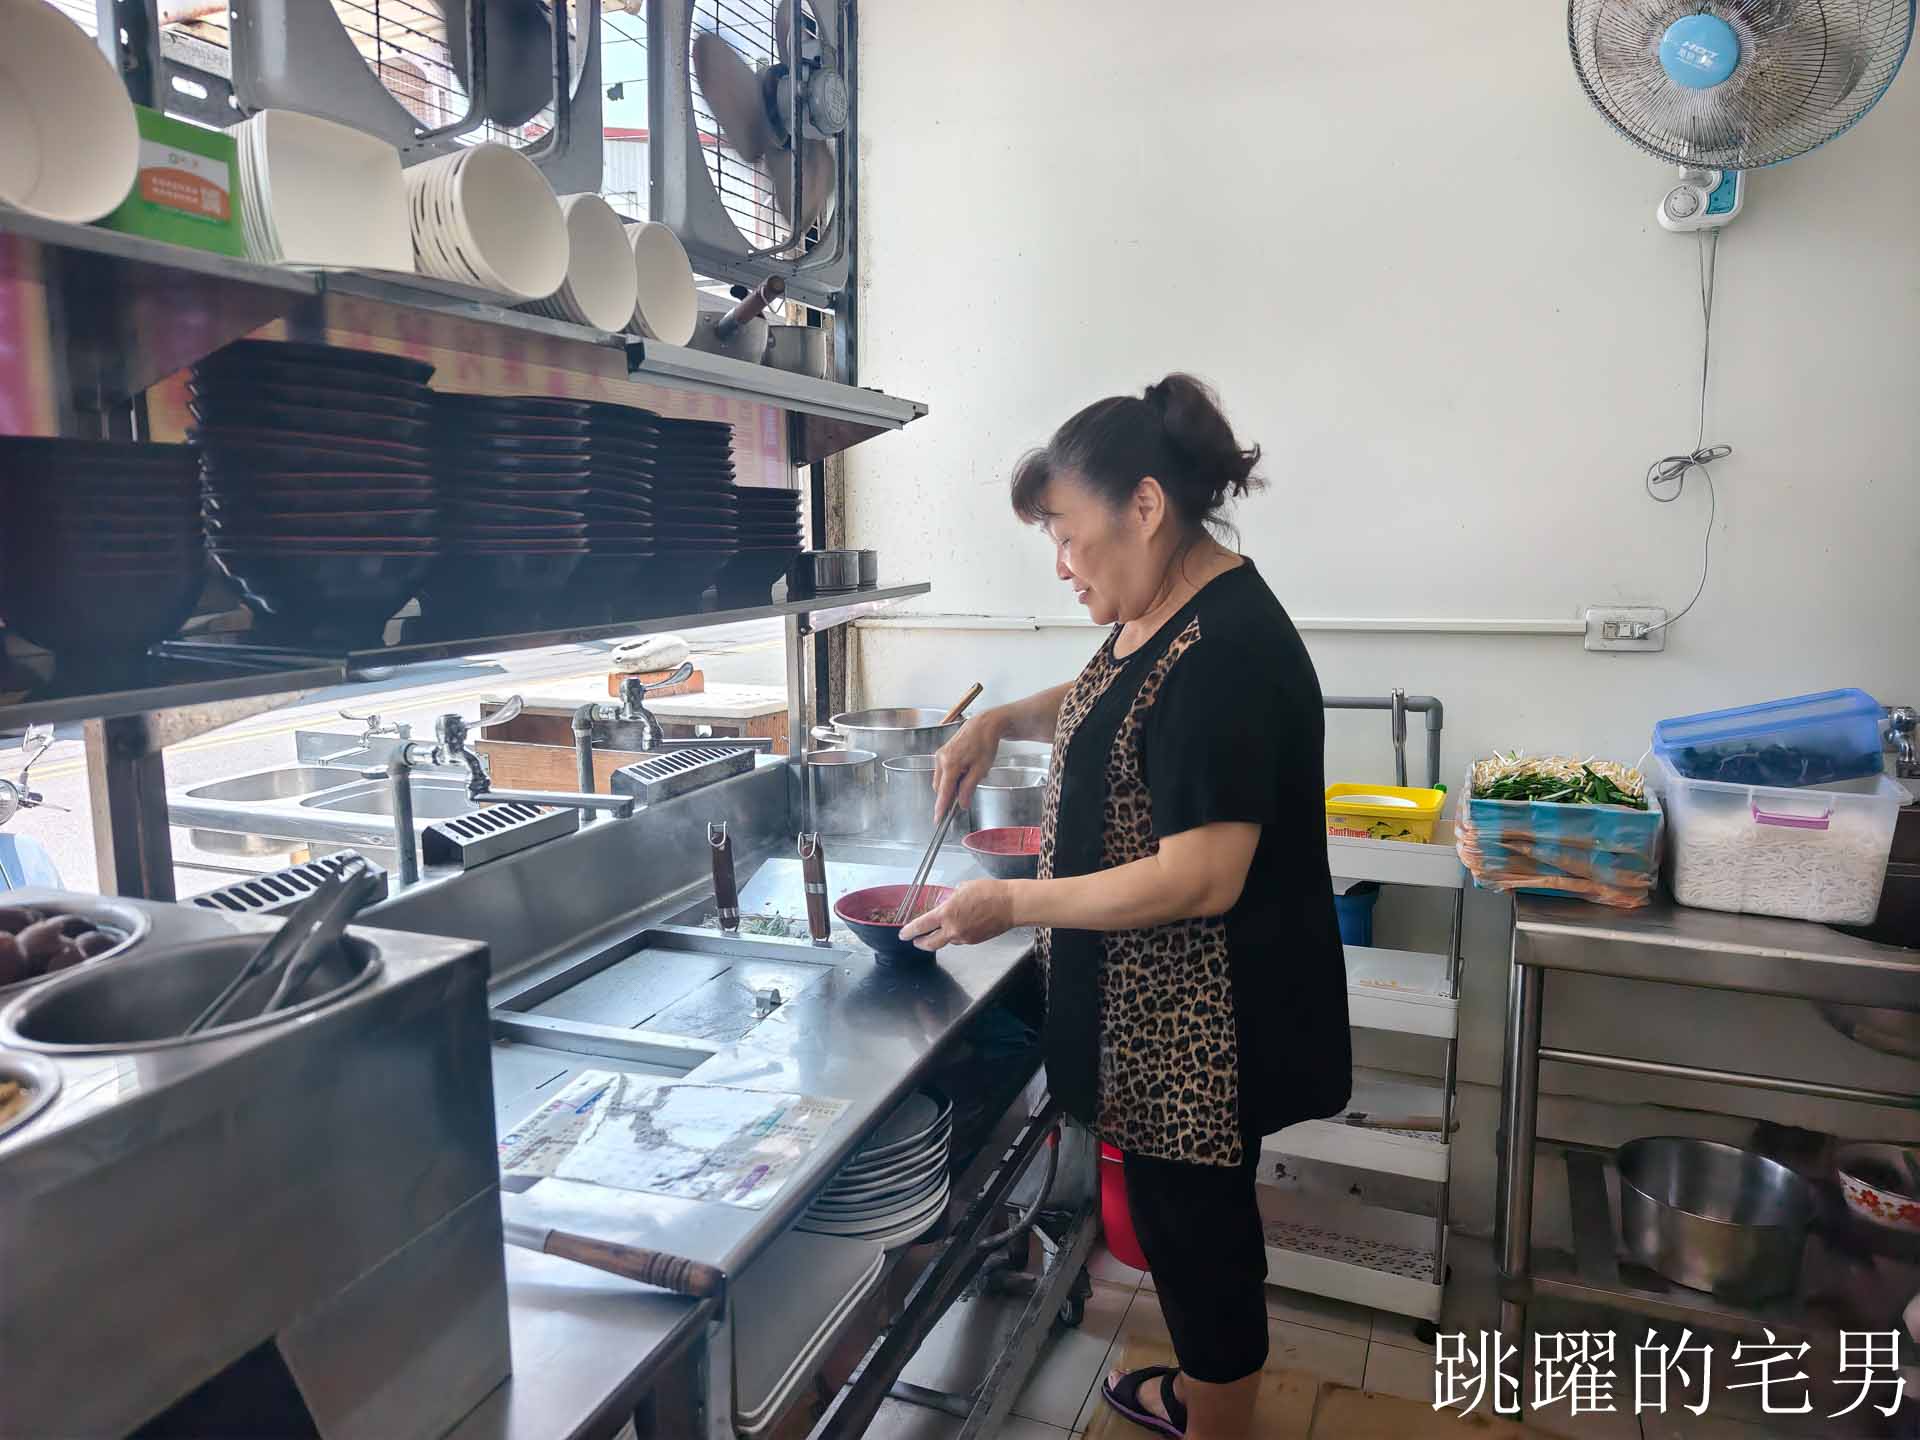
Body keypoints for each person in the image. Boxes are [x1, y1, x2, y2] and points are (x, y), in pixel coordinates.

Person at [901, 375, 1351, 1440]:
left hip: (1204, 1027)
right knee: (1176, 1221)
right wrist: (1003, 720)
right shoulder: (1169, 611)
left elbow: (1204, 876)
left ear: (1144, 507)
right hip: (1154, 1016)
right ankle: (1201, 1400)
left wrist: (1011, 903)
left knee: (1199, 1245)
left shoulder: (1229, 649)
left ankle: (1221, 1427)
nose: (1060, 563)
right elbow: (1113, 692)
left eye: (1064, 534)